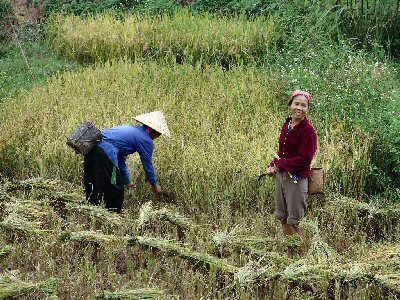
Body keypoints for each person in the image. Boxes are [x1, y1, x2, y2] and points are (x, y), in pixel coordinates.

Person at [84, 111, 171, 213]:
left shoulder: (133, 130)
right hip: (106, 152)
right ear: (155, 131)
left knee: (93, 180)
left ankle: (91, 208)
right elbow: (148, 164)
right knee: (115, 184)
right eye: (159, 133)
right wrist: (154, 185)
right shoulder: (146, 140)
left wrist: (127, 181)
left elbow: (120, 160)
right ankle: (113, 213)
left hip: (91, 148)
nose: (159, 136)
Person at [267, 90, 318, 256]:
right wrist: (274, 164)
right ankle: (291, 252)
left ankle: (302, 255)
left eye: (304, 105)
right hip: (281, 177)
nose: (299, 108)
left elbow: (304, 159)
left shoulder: (308, 131)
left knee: (296, 221)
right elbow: (282, 153)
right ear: (290, 105)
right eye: (296, 104)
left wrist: (280, 164)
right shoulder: (287, 125)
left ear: (307, 109)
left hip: (296, 180)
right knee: (283, 217)